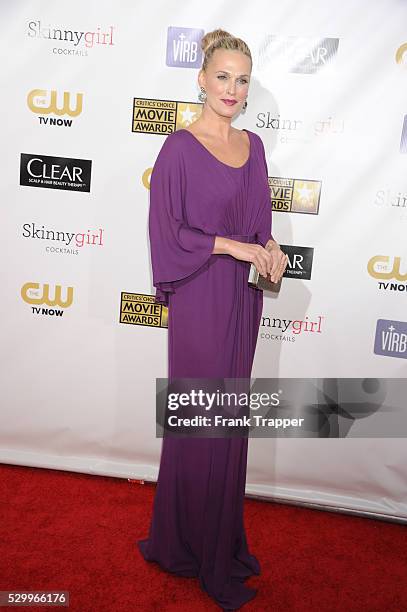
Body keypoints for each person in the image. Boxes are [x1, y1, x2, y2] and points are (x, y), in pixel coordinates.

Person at [137, 28, 288, 610]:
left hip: (243, 301)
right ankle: (181, 545)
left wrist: (268, 251)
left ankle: (216, 543)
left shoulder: (254, 147)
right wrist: (235, 247)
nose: (231, 88)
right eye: (222, 76)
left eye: (242, 79)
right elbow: (169, 233)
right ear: (202, 79)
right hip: (200, 296)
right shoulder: (177, 147)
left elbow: (259, 225)